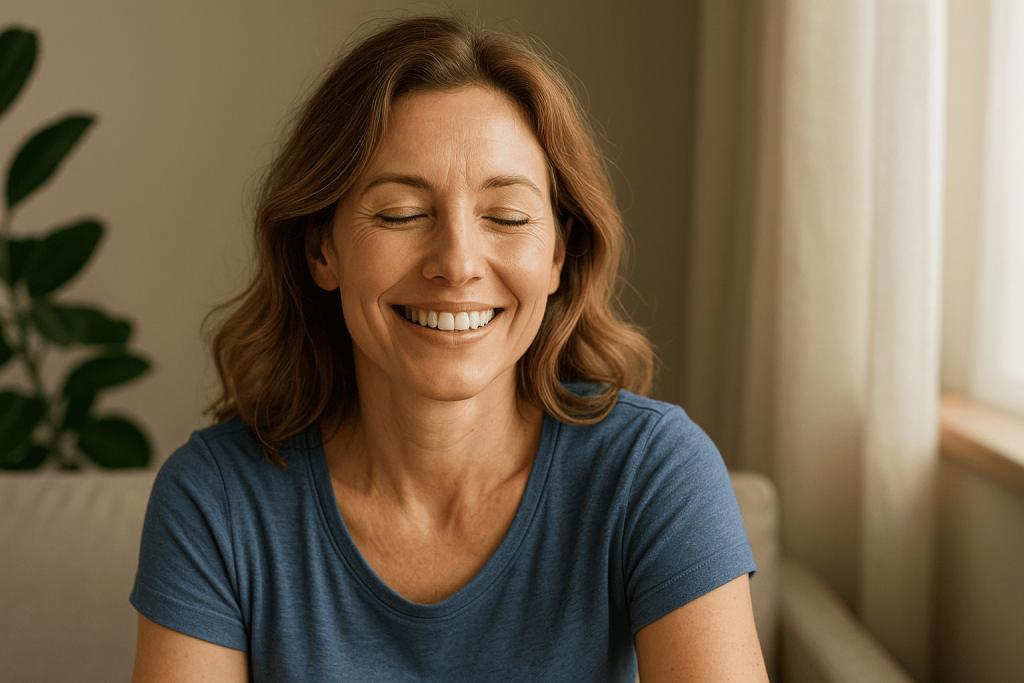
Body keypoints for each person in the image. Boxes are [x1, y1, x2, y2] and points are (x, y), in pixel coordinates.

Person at [130, 14, 767, 683]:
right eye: (402, 214)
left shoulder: (653, 472)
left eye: (507, 217)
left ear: (557, 254)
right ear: (322, 250)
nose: (458, 263)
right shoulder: (214, 500)